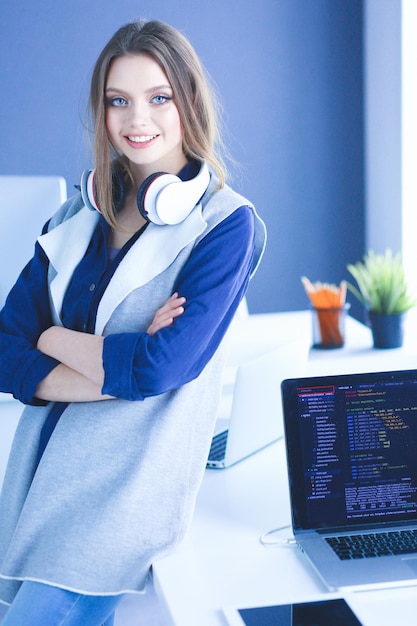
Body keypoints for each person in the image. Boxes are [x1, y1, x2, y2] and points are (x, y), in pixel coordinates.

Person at [0, 19, 266, 626]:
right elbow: (3, 348)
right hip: (38, 484)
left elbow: (162, 367)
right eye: (118, 100)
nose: (135, 118)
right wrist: (103, 356)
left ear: (189, 102)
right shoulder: (77, 213)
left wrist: (50, 339)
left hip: (120, 502)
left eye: (158, 97)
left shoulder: (226, 226)